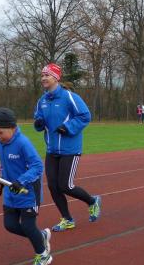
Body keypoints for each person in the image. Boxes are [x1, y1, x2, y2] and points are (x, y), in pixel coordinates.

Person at [33, 63, 102, 231]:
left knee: (65, 185)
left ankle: (92, 201)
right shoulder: (42, 100)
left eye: (47, 75)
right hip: (51, 150)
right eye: (42, 75)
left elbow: (85, 116)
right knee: (53, 186)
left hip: (70, 149)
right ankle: (67, 219)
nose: (43, 78)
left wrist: (68, 127)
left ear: (56, 78)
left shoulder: (69, 97)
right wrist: (38, 123)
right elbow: (38, 119)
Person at [0, 107, 52, 265]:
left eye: (0, 132)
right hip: (11, 193)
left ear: (12, 128)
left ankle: (43, 255)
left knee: (28, 226)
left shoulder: (23, 143)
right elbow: (5, 164)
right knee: (10, 225)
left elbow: (37, 166)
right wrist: (3, 178)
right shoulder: (0, 143)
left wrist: (21, 181)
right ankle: (41, 236)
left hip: (28, 193)